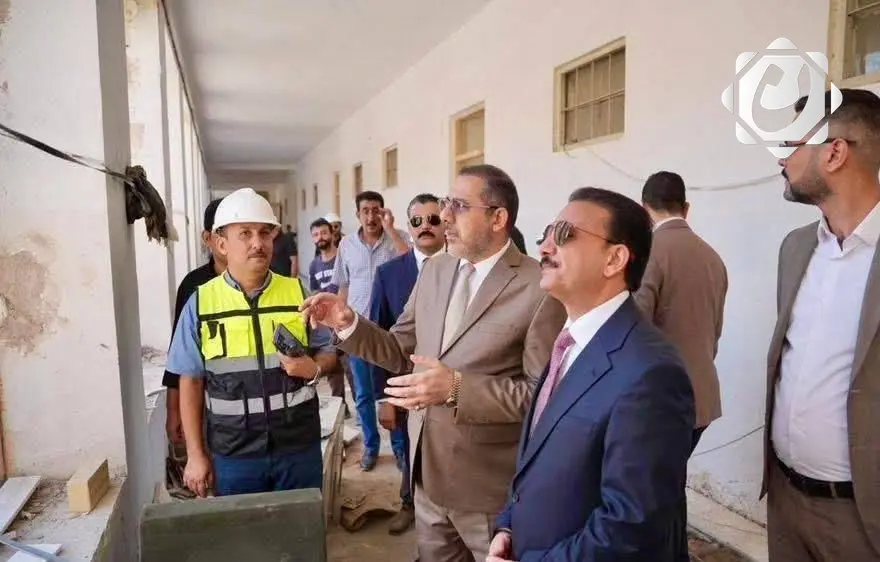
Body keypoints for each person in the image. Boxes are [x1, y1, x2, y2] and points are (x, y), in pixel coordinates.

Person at [303, 164, 566, 562]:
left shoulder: (539, 288)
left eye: (459, 206)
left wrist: (458, 388)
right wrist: (348, 323)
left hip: (489, 490)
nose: (444, 216)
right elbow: (398, 350)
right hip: (426, 476)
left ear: (498, 218)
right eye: (446, 203)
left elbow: (542, 398)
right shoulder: (436, 270)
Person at [490, 187, 695, 562]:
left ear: (614, 259)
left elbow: (631, 525)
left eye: (564, 234)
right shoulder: (569, 341)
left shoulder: (651, 372)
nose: (545, 248)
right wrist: (509, 527)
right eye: (546, 233)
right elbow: (540, 457)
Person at [763, 88, 880, 561]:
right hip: (785, 501)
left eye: (791, 144)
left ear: (834, 153)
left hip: (863, 518)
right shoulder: (796, 248)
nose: (780, 158)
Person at [166, 187, 338, 497]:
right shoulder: (201, 303)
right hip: (234, 454)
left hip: (298, 447)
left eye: (264, 233)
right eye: (245, 233)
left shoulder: (298, 293)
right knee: (246, 527)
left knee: (302, 525)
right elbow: (190, 380)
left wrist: (314, 368)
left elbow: (329, 349)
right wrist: (195, 454)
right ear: (221, 244)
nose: (258, 243)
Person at [634, 170, 728, 561]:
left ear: (643, 209)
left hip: (658, 401)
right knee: (670, 485)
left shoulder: (647, 254)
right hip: (701, 398)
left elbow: (636, 332)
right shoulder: (713, 258)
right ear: (686, 208)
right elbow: (715, 333)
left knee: (651, 494)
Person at [368, 193, 445, 535]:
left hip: (450, 384)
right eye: (417, 221)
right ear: (408, 226)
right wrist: (384, 398)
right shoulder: (389, 273)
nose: (425, 226)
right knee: (409, 448)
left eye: (433, 219)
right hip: (403, 384)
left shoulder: (462, 268)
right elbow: (379, 336)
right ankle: (408, 503)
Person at [330, 191, 410, 471]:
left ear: (384, 212)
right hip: (358, 332)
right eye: (365, 211)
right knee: (363, 395)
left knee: (395, 394)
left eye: (376, 210)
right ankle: (371, 447)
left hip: (391, 332)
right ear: (358, 215)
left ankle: (399, 448)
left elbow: (412, 265)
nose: (371, 216)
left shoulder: (398, 239)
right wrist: (338, 324)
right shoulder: (347, 245)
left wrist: (391, 230)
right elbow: (343, 285)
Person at [162, 198, 226, 498]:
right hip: (201, 397)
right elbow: (180, 357)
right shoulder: (194, 286)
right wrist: (172, 409)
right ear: (208, 238)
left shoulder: (265, 281)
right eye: (222, 232)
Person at [308, 217, 351, 417]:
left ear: (332, 234)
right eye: (316, 234)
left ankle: (363, 412)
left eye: (324, 233)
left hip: (346, 323)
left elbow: (348, 286)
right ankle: (342, 409)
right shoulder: (314, 265)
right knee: (334, 373)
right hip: (327, 329)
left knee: (352, 371)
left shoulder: (343, 258)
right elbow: (314, 294)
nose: (320, 237)